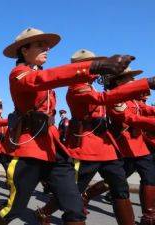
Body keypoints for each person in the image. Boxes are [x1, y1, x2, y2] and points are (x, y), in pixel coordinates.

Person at [0, 27, 134, 225]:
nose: (47, 48)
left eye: (46, 45)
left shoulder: (40, 74)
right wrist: (95, 65)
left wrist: (145, 84)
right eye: (40, 45)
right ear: (24, 50)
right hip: (30, 150)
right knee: (14, 208)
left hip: (53, 147)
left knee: (74, 207)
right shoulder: (18, 74)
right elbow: (42, 79)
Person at [35, 49, 155, 225]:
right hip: (86, 149)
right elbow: (103, 98)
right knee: (73, 191)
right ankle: (44, 212)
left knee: (120, 189)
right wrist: (147, 83)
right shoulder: (77, 88)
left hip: (106, 148)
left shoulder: (89, 86)